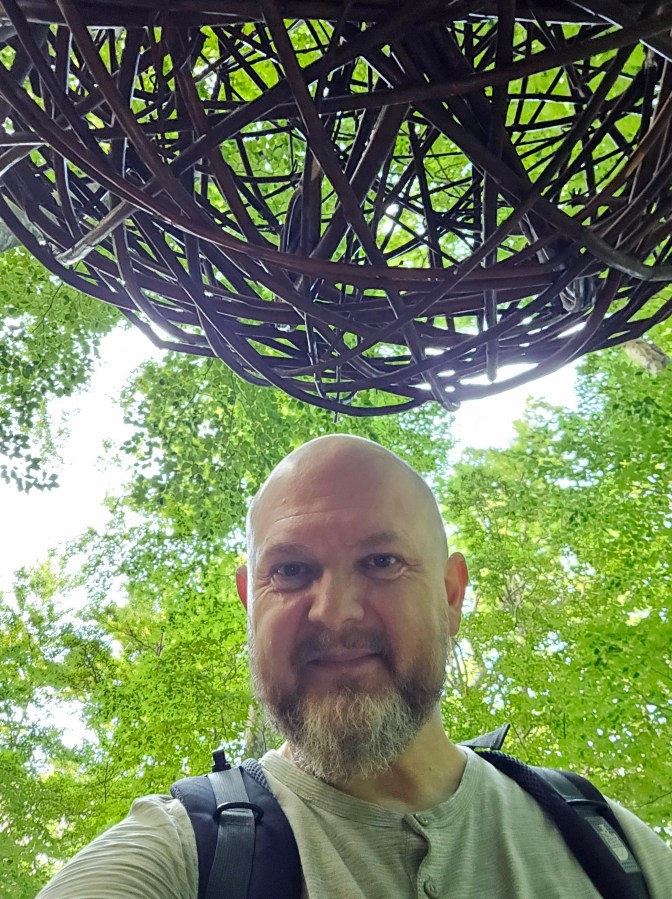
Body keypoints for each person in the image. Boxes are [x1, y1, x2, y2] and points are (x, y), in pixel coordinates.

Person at [37, 435, 672, 898]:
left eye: (381, 562)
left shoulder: (619, 852)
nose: (334, 613)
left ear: (451, 596)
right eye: (290, 571)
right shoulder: (179, 857)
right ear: (248, 602)